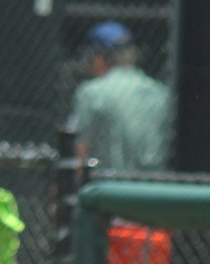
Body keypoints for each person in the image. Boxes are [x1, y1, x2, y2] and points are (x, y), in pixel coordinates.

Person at [69, 20, 173, 172]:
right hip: (154, 188)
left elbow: (80, 151)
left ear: (99, 58)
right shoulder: (160, 92)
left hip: (110, 188)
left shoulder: (91, 92)